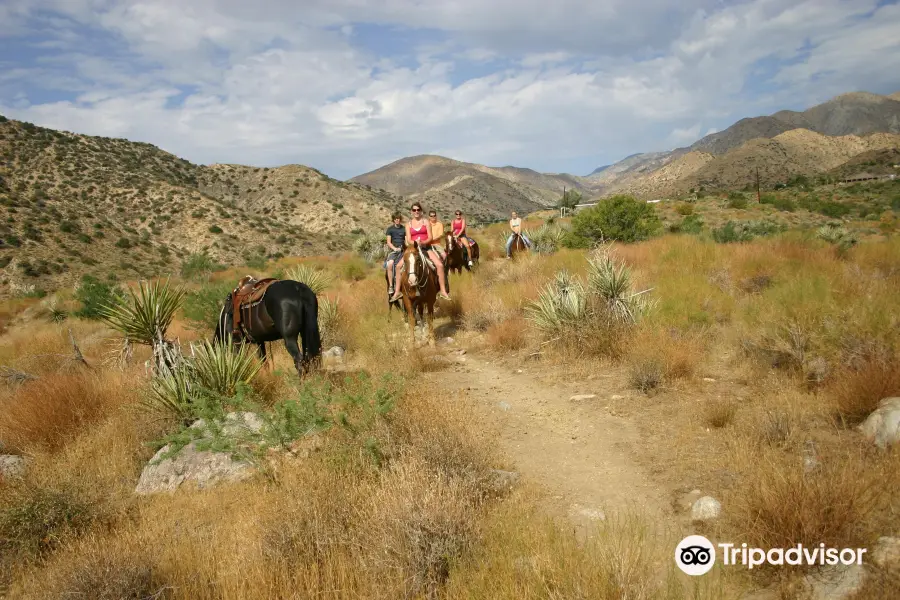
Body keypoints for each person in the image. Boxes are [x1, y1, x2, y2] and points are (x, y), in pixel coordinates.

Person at [391, 202, 451, 302]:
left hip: (425, 248)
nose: (416, 212)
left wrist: (423, 242)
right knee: (398, 266)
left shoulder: (426, 222)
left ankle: (443, 291)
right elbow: (409, 239)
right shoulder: (408, 224)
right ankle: (397, 292)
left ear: (421, 211)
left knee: (439, 265)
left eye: (418, 210)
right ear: (411, 212)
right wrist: (415, 243)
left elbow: (430, 237)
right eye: (414, 210)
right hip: (413, 249)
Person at [384, 212, 406, 297]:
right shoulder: (390, 229)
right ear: (393, 220)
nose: (397, 220)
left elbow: (406, 240)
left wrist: (404, 248)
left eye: (399, 218)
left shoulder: (404, 229)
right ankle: (391, 286)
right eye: (396, 218)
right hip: (394, 250)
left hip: (403, 250)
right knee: (390, 264)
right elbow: (388, 242)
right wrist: (394, 248)